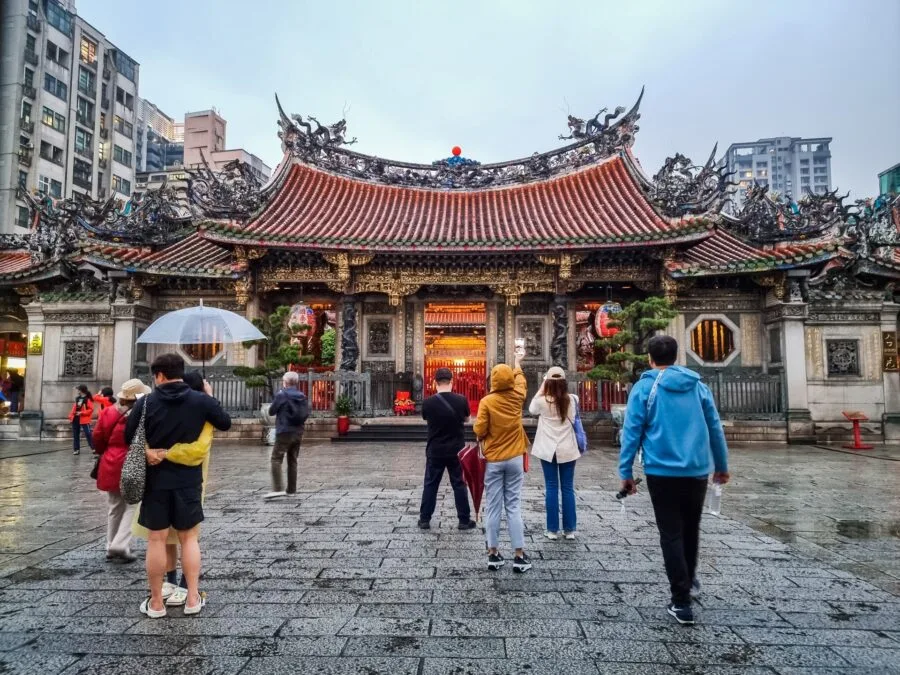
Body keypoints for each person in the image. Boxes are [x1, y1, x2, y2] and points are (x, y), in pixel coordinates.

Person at [619, 335, 729, 626]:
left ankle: (681, 602)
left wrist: (625, 471)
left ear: (649, 358)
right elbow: (714, 426)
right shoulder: (698, 387)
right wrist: (721, 465)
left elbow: (632, 431)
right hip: (696, 470)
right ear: (677, 356)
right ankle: (689, 581)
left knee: (671, 533)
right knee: (691, 528)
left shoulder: (645, 387)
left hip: (661, 471)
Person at [125, 353, 231, 619]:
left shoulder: (146, 402)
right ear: (181, 373)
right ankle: (193, 597)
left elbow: (130, 437)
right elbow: (225, 422)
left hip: (156, 480)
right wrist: (209, 395)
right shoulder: (200, 401)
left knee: (157, 539)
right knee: (189, 538)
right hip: (188, 480)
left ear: (159, 375)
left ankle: (158, 602)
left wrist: (152, 452)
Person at [473, 344, 532, 573]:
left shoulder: (487, 402)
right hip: (515, 458)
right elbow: (521, 381)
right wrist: (517, 362)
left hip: (494, 459)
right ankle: (519, 555)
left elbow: (479, 430)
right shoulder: (517, 398)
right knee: (514, 506)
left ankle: (493, 554)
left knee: (494, 506)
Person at [92, 378, 150, 564]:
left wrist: (104, 451)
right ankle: (120, 544)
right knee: (132, 505)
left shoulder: (108, 412)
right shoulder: (140, 414)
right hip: (130, 460)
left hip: (109, 460)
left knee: (114, 506)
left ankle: (110, 545)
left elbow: (97, 437)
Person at [418, 367, 476, 530]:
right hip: (456, 450)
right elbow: (467, 419)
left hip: (435, 449)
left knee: (430, 484)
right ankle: (464, 520)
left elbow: (425, 418)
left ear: (435, 382)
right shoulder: (461, 400)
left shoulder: (428, 402)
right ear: (452, 381)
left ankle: (424, 519)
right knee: (459, 484)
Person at [529, 366, 580, 540]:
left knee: (551, 487)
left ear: (548, 382)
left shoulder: (542, 401)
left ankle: (552, 530)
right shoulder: (572, 400)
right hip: (567, 449)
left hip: (548, 449)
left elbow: (531, 409)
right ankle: (570, 530)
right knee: (567, 488)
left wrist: (543, 386)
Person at [265, 371, 310, 500]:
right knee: (293, 460)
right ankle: (291, 490)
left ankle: (278, 488)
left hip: (284, 430)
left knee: (276, 459)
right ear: (296, 382)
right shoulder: (302, 395)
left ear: (285, 382)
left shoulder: (282, 394)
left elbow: (271, 411)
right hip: (298, 431)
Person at [68, 384, 95, 456]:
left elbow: (91, 409)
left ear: (81, 390)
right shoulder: (77, 398)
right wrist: (71, 416)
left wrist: (82, 413)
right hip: (76, 418)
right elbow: (74, 408)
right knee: (76, 435)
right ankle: (76, 449)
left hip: (84, 419)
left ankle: (93, 448)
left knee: (88, 434)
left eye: (78, 389)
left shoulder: (87, 399)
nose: (77, 391)